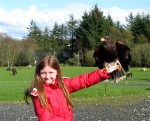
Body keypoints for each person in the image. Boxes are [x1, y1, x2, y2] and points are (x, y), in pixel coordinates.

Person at [24, 54, 119, 121]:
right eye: (43, 73)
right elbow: (45, 118)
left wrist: (104, 72)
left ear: (57, 72)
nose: (47, 76)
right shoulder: (38, 92)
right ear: (38, 73)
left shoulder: (63, 84)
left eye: (51, 72)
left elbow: (84, 80)